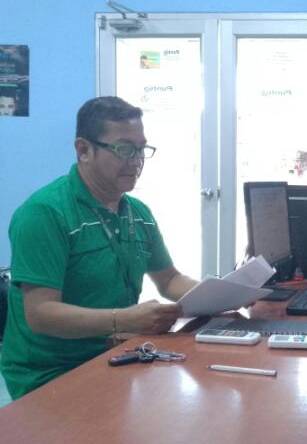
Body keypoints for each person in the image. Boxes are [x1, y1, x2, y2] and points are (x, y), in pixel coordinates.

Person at [1, 96, 198, 399]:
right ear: (84, 150)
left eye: (141, 149)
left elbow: (169, 280)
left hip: (116, 353)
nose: (136, 161)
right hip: (50, 372)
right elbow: (40, 314)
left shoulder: (138, 212)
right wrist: (125, 318)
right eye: (124, 149)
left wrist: (220, 295)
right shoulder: (45, 213)